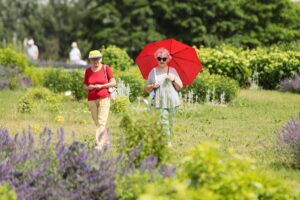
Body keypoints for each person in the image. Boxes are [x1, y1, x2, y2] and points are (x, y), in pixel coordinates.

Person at [145, 48, 183, 147]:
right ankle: (167, 143)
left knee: (170, 123)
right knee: (164, 122)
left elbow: (180, 87)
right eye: (159, 58)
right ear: (156, 59)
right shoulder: (153, 71)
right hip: (159, 102)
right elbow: (146, 88)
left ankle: (165, 139)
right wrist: (152, 86)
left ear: (168, 59)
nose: (161, 61)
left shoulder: (172, 71)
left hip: (172, 101)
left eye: (164, 59)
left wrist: (173, 79)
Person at [83, 50, 116, 150]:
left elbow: (113, 82)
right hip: (92, 99)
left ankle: (99, 144)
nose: (95, 61)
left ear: (101, 59)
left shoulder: (106, 68)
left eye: (97, 59)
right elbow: (84, 85)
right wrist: (89, 87)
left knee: (101, 122)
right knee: (97, 122)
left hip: (104, 98)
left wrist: (102, 86)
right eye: (93, 59)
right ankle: (106, 140)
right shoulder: (88, 71)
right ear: (90, 60)